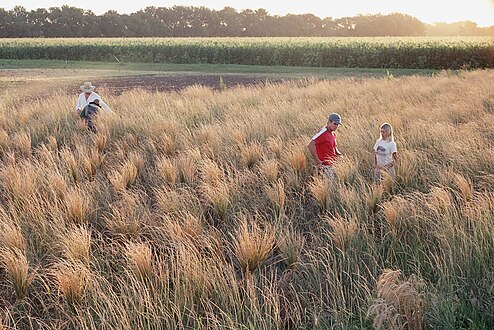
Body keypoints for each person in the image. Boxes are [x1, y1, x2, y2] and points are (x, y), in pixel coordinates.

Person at [307, 113, 342, 179]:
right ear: (329, 122)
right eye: (335, 124)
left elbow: (334, 148)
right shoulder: (323, 132)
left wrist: (340, 156)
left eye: (338, 124)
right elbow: (310, 145)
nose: (336, 126)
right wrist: (318, 162)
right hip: (325, 167)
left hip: (332, 165)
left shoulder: (333, 133)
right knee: (330, 186)